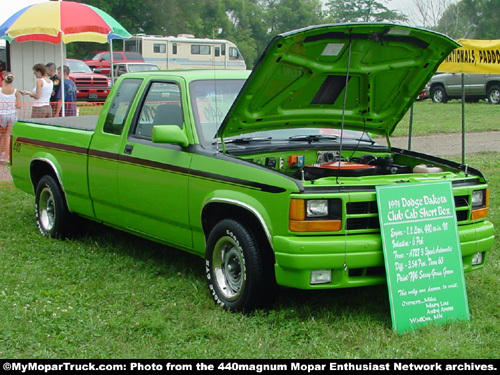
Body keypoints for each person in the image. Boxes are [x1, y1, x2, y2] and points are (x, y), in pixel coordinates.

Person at [0, 71, 21, 162]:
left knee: (2, 135)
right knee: (9, 136)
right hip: (12, 114)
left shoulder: (0, 90)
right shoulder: (16, 91)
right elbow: (19, 106)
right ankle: (6, 157)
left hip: (2, 114)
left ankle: (1, 153)